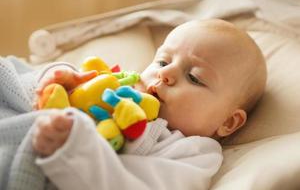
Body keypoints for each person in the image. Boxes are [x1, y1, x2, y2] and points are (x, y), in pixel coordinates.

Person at [32, 19, 267, 190]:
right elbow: (69, 87)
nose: (165, 73)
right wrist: (58, 80)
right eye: (163, 60)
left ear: (228, 121)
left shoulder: (194, 154)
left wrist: (71, 149)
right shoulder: (121, 88)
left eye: (194, 77)